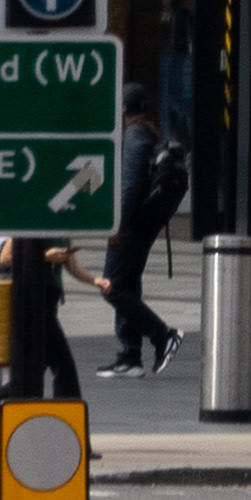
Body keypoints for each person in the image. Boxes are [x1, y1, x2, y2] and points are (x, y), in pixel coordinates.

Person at [100, 110, 185, 374]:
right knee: (127, 286)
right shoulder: (147, 133)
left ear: (124, 108)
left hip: (131, 226)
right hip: (142, 225)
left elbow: (130, 185)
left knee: (112, 287)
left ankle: (163, 335)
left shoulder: (134, 136)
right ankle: (130, 356)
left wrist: (118, 224)